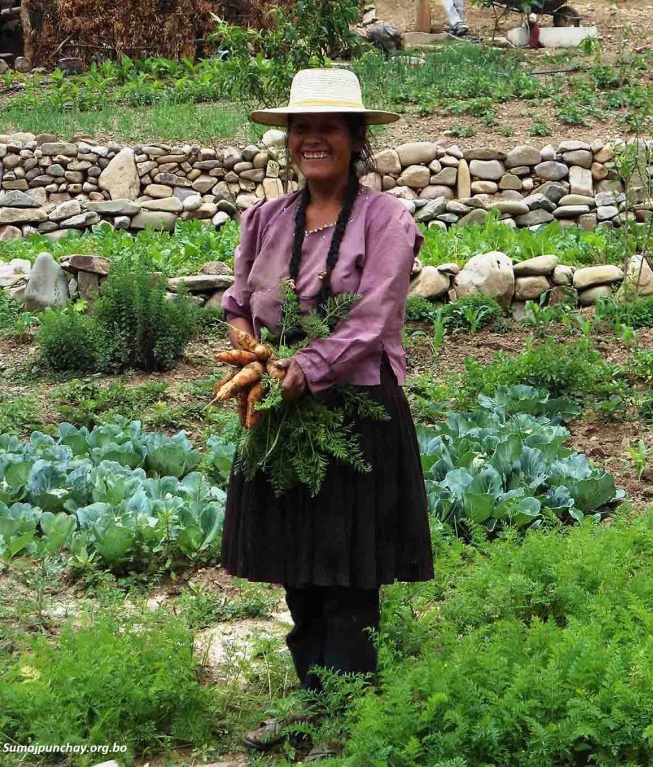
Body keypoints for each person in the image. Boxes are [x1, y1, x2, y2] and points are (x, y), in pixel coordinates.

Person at [218, 68, 436, 761]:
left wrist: (304, 371)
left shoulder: (387, 220)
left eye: (329, 127)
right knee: (298, 564)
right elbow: (236, 304)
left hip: (358, 411)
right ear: (288, 140)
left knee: (347, 568)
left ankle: (347, 718)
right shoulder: (266, 220)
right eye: (301, 128)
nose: (313, 139)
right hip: (280, 414)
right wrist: (253, 357)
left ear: (356, 138)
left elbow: (372, 320)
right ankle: (311, 702)